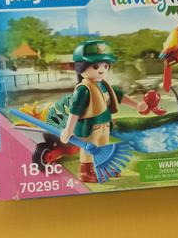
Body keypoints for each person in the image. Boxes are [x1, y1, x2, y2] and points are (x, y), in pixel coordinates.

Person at [60, 40, 146, 183]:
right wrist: (68, 130)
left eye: (105, 66)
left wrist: (136, 105)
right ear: (81, 67)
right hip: (90, 126)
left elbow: (119, 96)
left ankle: (102, 168)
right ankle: (85, 172)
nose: (101, 69)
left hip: (105, 124)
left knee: (103, 146)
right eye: (95, 66)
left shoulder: (104, 85)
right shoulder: (83, 89)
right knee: (89, 148)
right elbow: (75, 110)